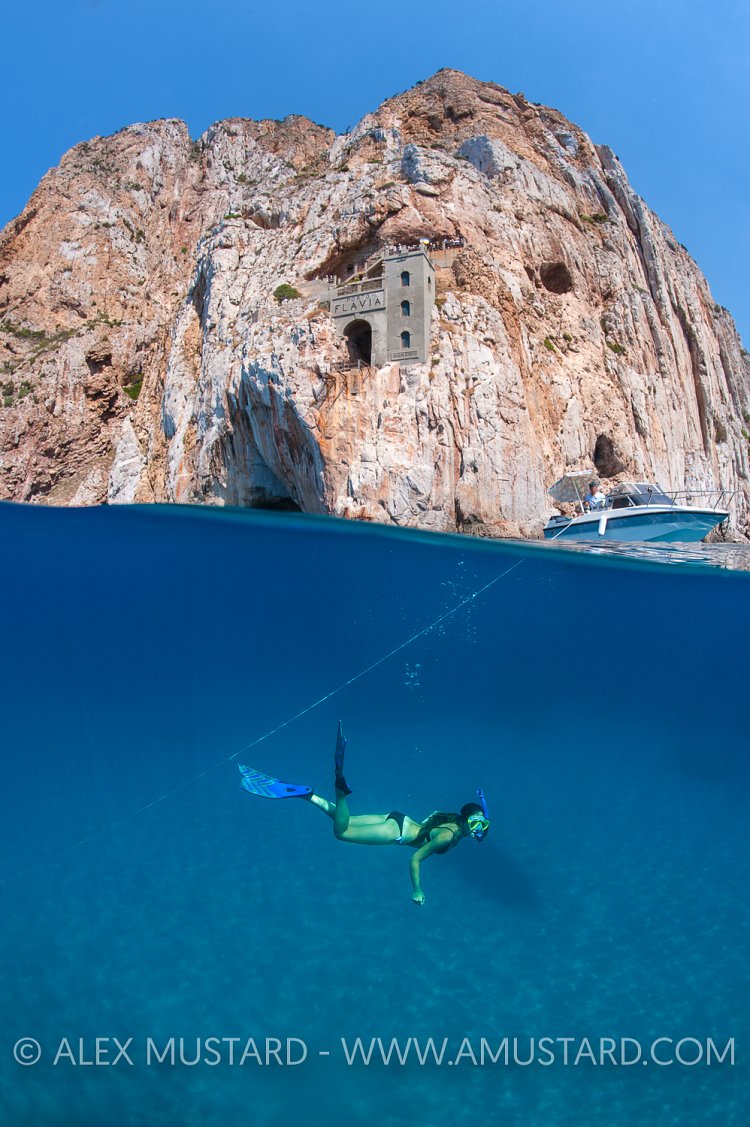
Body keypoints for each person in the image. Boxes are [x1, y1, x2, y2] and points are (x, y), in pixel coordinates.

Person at [239, 723, 490, 906]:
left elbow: (471, 823)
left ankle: (307, 795)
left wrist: (480, 807)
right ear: (467, 821)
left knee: (342, 819)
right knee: (342, 832)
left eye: (482, 824)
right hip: (396, 832)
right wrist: (417, 890)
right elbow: (415, 860)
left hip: (396, 818)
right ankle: (340, 791)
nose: (479, 828)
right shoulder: (449, 836)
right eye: (476, 823)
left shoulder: (452, 818)